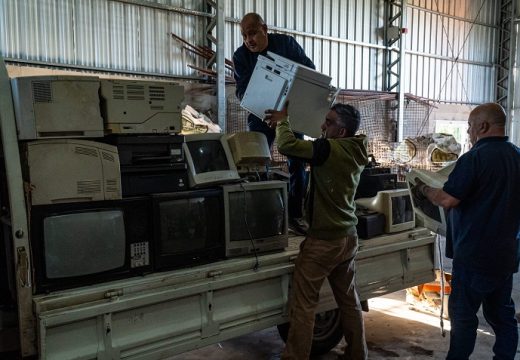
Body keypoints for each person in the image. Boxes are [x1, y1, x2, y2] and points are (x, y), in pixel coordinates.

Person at [412, 103, 520, 360]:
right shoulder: (517, 155)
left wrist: (424, 189)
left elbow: (448, 199)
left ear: (483, 126)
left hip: (474, 255)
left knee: (462, 316)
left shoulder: (474, 158)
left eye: (470, 126)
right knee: (502, 315)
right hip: (506, 254)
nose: (469, 132)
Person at [264, 102, 369, 360]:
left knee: (303, 304)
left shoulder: (328, 149)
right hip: (348, 237)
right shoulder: (356, 148)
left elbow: (288, 146)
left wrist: (283, 121)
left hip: (324, 242)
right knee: (348, 301)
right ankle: (358, 353)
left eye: (329, 122)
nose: (323, 126)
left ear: (342, 131)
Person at [233, 12, 315, 235]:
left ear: (264, 29)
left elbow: (309, 74)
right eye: (244, 36)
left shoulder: (287, 44)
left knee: (297, 163)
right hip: (261, 116)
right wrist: (265, 112)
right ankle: (263, 217)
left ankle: (295, 215)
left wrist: (285, 113)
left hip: (289, 113)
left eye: (252, 33)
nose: (249, 40)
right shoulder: (241, 56)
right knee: (257, 164)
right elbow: (242, 92)